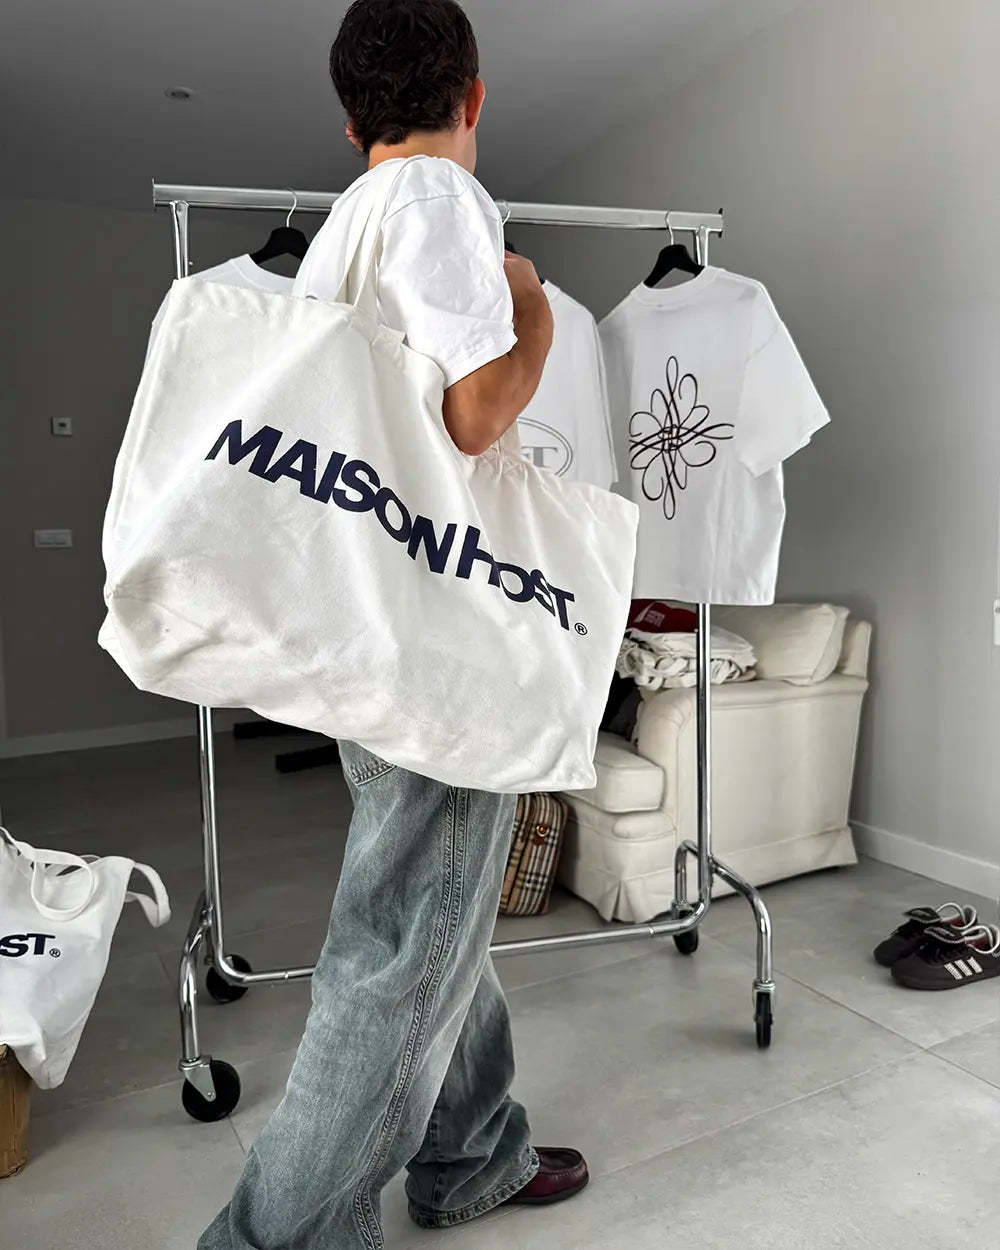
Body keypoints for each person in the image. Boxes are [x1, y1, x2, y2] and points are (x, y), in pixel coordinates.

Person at [198, 3, 588, 1247]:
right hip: (436, 649)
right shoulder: (437, 198)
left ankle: (470, 1149)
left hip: (371, 626)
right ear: (472, 96)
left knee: (432, 911)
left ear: (349, 120)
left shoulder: (346, 227)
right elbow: (474, 413)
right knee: (401, 946)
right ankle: (275, 1235)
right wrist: (532, 310)